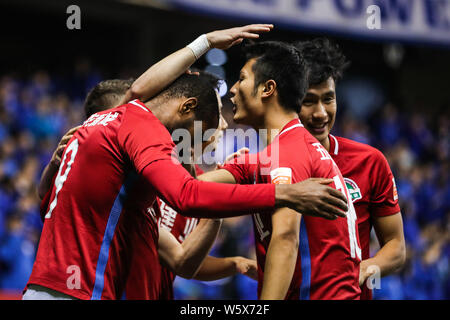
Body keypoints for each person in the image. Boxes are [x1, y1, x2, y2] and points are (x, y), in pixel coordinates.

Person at [24, 27, 349, 300]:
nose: (187, 144)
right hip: (81, 291)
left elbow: (139, 88)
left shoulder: (108, 123)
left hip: (48, 286)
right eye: (205, 130)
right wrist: (285, 194)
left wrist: (205, 41)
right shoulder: (141, 130)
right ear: (187, 108)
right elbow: (188, 197)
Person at [198, 41, 361, 300]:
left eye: (241, 79)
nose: (233, 89)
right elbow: (190, 189)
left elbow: (286, 241)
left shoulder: (289, 152)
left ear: (267, 89)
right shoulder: (276, 153)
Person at [295, 38, 406, 299]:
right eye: (308, 101)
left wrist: (363, 269)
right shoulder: (269, 162)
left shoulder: (370, 162)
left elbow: (397, 247)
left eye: (328, 99)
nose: (321, 113)